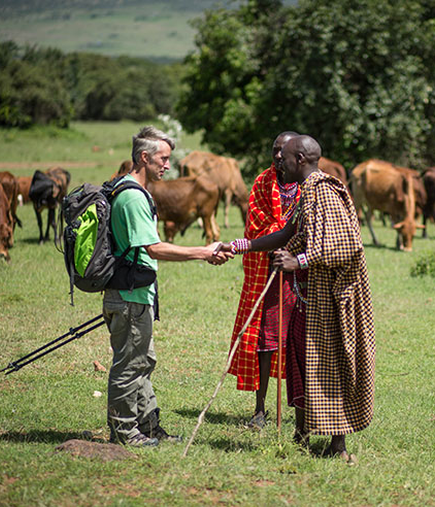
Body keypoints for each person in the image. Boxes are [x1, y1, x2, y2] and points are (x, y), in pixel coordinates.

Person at [228, 135, 375, 462]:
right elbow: (288, 234)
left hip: (335, 297)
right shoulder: (307, 192)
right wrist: (240, 246)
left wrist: (300, 261)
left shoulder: (324, 191)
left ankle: (338, 446)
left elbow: (348, 245)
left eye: (285, 158)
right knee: (300, 357)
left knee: (332, 363)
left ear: (300, 160)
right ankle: (302, 434)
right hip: (310, 297)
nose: (278, 162)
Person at [105, 126, 232, 447]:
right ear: (144, 158)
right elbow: (154, 248)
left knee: (142, 362)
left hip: (137, 293)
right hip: (129, 295)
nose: (167, 166)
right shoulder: (133, 196)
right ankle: (123, 432)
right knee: (129, 365)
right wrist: (202, 252)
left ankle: (148, 426)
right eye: (162, 159)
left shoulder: (133, 191)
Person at [227, 131, 304, 429]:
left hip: (300, 272)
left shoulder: (307, 184)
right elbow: (256, 223)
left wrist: (293, 248)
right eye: (274, 150)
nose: (277, 156)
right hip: (266, 271)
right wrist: (284, 236)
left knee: (298, 340)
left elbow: (311, 227)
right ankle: (260, 408)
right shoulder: (262, 182)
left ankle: (300, 409)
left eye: (283, 151)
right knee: (264, 340)